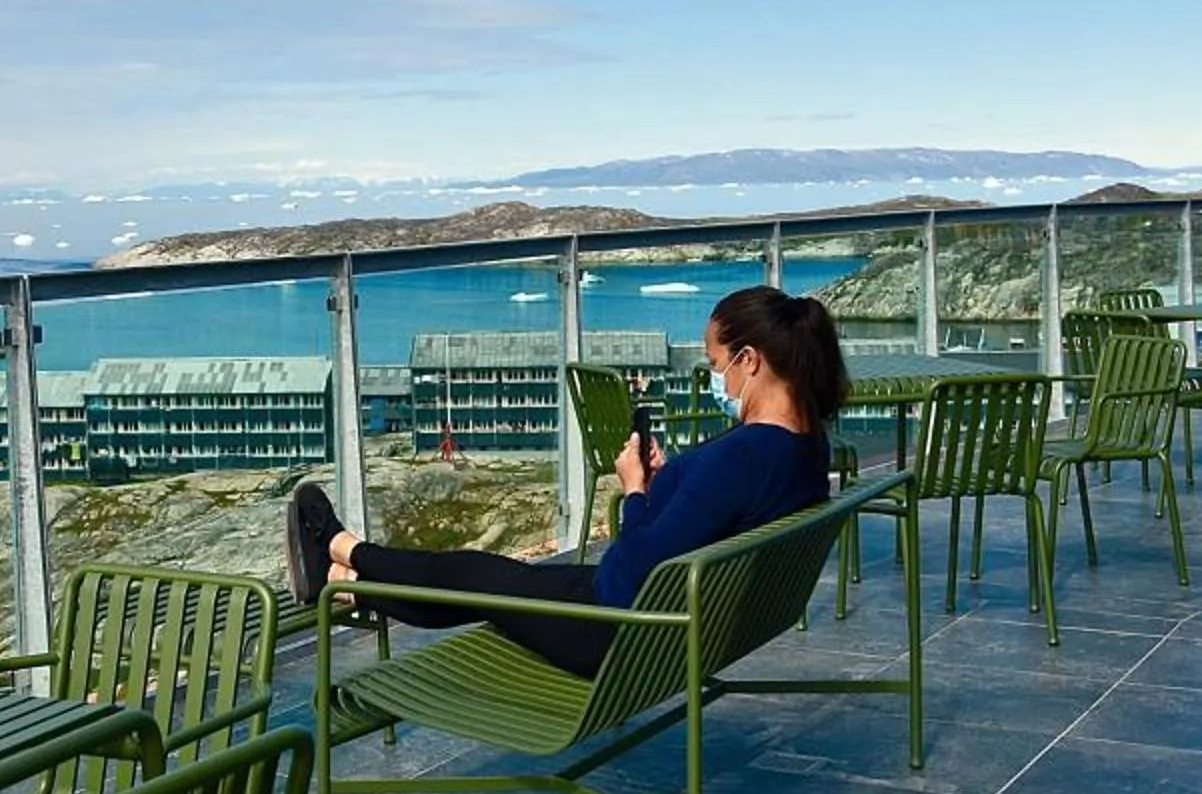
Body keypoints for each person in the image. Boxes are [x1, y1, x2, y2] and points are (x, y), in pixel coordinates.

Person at [286, 286, 847, 676]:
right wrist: (672, 481)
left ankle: (341, 548)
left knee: (473, 574)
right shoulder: (806, 446)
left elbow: (638, 564)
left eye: (715, 362)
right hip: (687, 623)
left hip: (625, 636)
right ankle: (346, 578)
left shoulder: (746, 454)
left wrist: (634, 486)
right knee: (488, 581)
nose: (715, 377)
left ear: (748, 360)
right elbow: (711, 516)